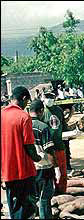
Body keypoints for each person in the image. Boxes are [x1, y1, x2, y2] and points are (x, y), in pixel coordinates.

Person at [1, 86, 42, 219]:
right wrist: (37, 158)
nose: (26, 105)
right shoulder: (24, 116)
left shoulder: (2, 115)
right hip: (24, 171)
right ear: (24, 98)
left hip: (7, 172)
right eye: (27, 102)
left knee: (14, 208)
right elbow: (29, 145)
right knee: (27, 209)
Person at [29, 99, 61, 219]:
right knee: (44, 199)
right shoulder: (42, 127)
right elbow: (49, 150)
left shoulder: (22, 125)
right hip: (44, 168)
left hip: (28, 168)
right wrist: (57, 168)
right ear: (41, 110)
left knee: (32, 199)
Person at [41, 90, 68, 194]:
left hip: (59, 146)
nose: (49, 99)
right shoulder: (41, 111)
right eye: (47, 97)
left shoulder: (58, 110)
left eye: (51, 97)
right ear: (43, 98)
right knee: (49, 172)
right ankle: (51, 193)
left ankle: (62, 192)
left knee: (62, 172)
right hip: (47, 148)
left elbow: (64, 127)